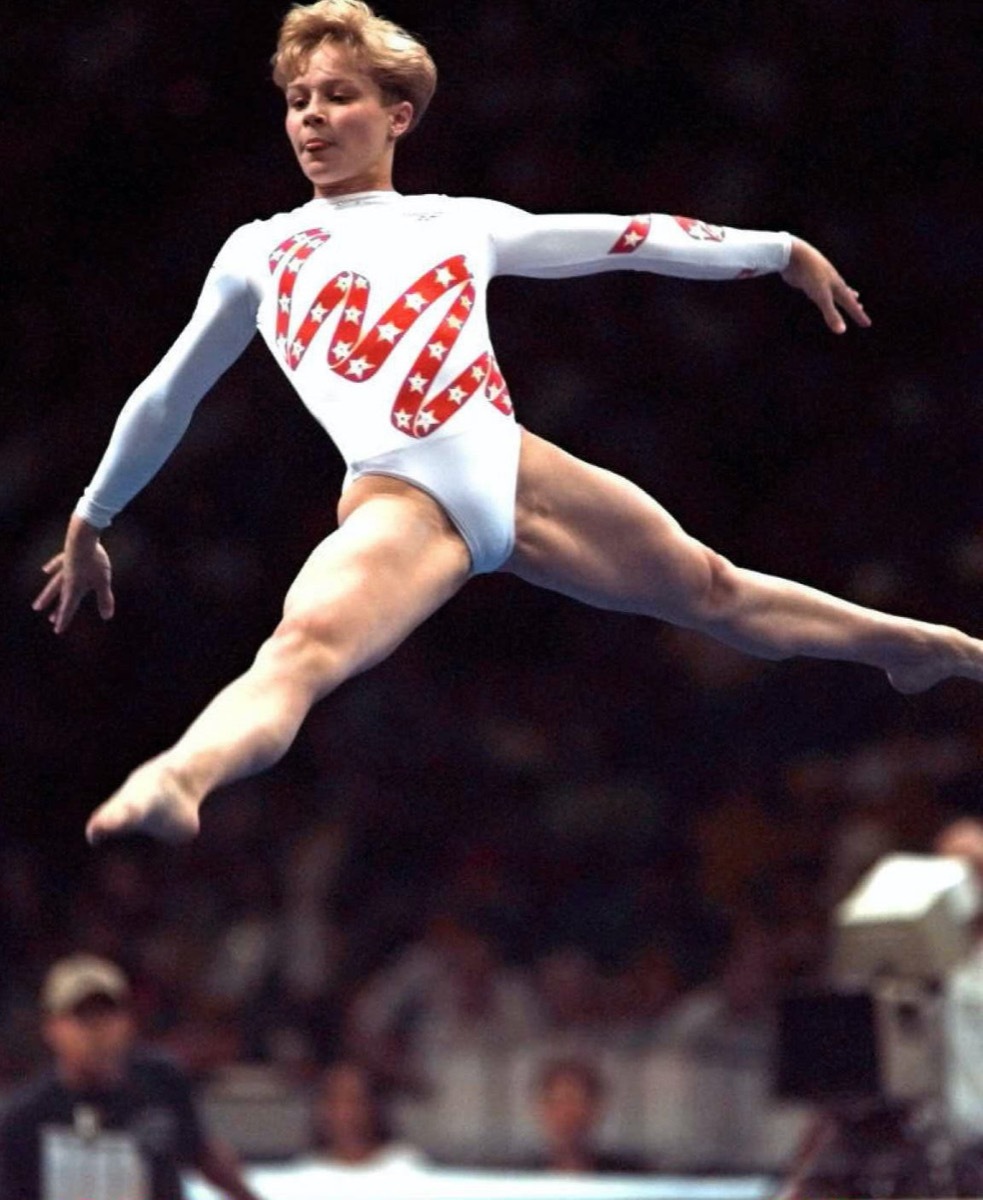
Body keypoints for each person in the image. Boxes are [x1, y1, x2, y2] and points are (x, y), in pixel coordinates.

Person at [32, 0, 983, 847]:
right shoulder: (261, 251)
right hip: (403, 500)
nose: (311, 118)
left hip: (516, 468)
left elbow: (627, 236)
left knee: (713, 589)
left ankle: (919, 647)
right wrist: (92, 514)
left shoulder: (459, 223)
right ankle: (178, 775)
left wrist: (775, 249)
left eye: (337, 96)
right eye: (297, 101)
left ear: (396, 116)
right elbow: (170, 391)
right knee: (300, 654)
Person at [0, 954, 261, 1200]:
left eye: (106, 1015)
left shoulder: (161, 1082)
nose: (96, 1031)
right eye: (83, 1017)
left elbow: (202, 1154)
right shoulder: (23, 1120)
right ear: (52, 1028)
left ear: (127, 1022)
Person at [527, 1056, 649, 1173]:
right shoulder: (520, 1178)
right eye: (557, 1102)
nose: (567, 1114)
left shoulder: (629, 1177)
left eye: (576, 1102)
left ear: (596, 1108)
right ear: (541, 1108)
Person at [298, 1058, 426, 1169]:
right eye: (334, 1100)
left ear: (374, 1106)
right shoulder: (302, 1174)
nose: (345, 1112)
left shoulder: (407, 1165)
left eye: (355, 1099)